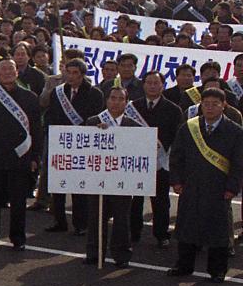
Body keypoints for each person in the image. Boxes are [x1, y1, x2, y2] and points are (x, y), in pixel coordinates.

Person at [167, 88, 243, 282]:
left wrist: (232, 188)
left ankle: (217, 270)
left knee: (218, 232)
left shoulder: (235, 131)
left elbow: (239, 163)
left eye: (215, 104)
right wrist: (176, 181)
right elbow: (176, 157)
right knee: (187, 228)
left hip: (219, 188)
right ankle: (184, 266)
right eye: (206, 104)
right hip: (191, 186)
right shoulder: (189, 127)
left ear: (223, 105)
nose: (209, 108)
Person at [0, 58, 41, 250]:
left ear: (17, 72)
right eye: (3, 69)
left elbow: (36, 130)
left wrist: (35, 157)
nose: (8, 72)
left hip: (20, 157)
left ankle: (18, 238)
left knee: (18, 202)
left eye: (11, 69)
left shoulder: (30, 97)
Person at [43, 59, 104, 235]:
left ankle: (80, 224)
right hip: (61, 144)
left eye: (75, 73)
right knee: (58, 186)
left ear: (82, 74)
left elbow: (94, 118)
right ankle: (59, 221)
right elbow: (51, 114)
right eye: (68, 72)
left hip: (82, 145)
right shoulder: (58, 92)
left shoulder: (94, 94)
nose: (70, 76)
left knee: (79, 187)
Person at [82, 87, 140, 268]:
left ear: (126, 102)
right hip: (97, 178)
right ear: (106, 101)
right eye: (112, 98)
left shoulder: (133, 125)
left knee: (122, 219)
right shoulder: (93, 121)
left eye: (120, 99)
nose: (116, 102)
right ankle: (94, 252)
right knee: (95, 217)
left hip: (121, 180)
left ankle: (122, 254)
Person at [128, 70, 183, 248]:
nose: (152, 86)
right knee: (134, 200)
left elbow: (177, 137)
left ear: (163, 85)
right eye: (149, 82)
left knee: (160, 201)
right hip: (136, 161)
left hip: (161, 162)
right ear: (143, 85)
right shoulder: (132, 107)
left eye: (156, 83)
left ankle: (161, 234)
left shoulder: (173, 109)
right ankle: (133, 232)